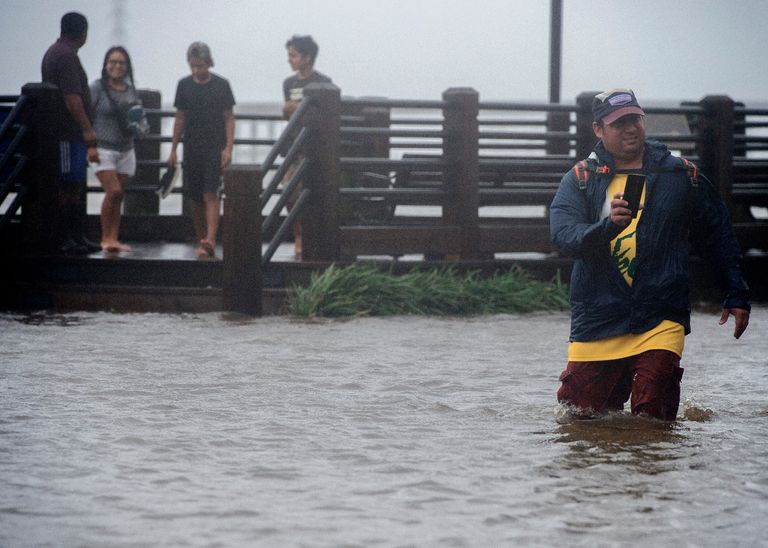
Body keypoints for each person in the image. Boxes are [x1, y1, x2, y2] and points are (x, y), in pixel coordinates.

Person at [549, 88, 750, 422]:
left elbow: (717, 234)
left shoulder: (681, 174)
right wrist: (607, 227)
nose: (631, 128)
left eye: (635, 119)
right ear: (598, 129)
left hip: (660, 313)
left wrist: (736, 292)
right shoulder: (581, 178)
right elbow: (563, 237)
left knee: (653, 420)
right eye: (619, 122)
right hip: (598, 316)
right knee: (578, 421)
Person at [167, 42, 235, 258]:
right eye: (193, 66)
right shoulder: (184, 85)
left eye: (201, 66)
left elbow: (229, 118)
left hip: (214, 147)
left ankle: (211, 239)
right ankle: (201, 237)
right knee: (193, 196)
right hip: (192, 146)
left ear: (209, 63)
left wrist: (228, 148)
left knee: (210, 192)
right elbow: (180, 117)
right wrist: (173, 149)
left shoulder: (222, 85)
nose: (197, 70)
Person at [41, 11, 101, 254]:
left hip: (67, 133)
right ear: (83, 33)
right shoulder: (67, 57)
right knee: (69, 185)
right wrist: (87, 129)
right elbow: (72, 98)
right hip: (68, 133)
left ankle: (76, 236)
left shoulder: (56, 52)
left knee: (74, 184)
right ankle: (68, 238)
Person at [281, 35, 332, 258]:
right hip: (293, 146)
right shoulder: (288, 83)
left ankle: (310, 236)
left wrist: (299, 109)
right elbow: (288, 114)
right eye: (289, 55)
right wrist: (287, 111)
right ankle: (298, 234)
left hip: (314, 147)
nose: (289, 60)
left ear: (307, 57)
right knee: (288, 194)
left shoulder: (324, 82)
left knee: (312, 194)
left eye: (293, 55)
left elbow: (326, 116)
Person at [89, 46, 142, 253]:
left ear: (127, 66)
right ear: (105, 65)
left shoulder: (131, 89)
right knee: (113, 191)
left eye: (121, 62)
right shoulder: (97, 88)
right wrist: (90, 145)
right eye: (112, 62)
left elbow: (137, 117)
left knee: (120, 196)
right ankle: (105, 238)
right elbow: (87, 115)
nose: (117, 66)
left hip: (126, 149)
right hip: (103, 148)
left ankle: (114, 238)